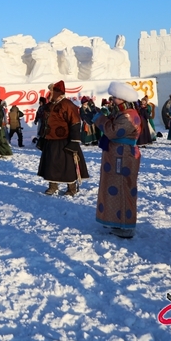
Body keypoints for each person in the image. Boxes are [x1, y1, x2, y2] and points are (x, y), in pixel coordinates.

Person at [93, 81, 142, 238]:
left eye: (115, 97)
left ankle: (125, 226)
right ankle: (117, 221)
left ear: (123, 98)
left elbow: (112, 131)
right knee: (115, 187)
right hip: (117, 156)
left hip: (123, 157)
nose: (112, 100)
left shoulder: (128, 116)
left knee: (122, 188)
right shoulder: (124, 113)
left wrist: (99, 119)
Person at [37, 80, 87, 196]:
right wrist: (42, 138)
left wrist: (74, 141)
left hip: (65, 140)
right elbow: (45, 122)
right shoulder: (49, 106)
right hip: (51, 140)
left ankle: (71, 188)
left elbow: (75, 122)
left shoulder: (68, 105)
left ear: (57, 92)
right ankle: (53, 186)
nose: (49, 94)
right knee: (51, 164)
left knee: (67, 165)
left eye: (51, 91)